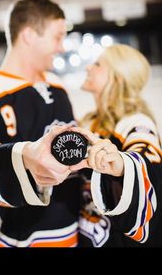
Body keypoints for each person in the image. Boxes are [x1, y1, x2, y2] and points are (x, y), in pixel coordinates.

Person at [0, 0, 80, 247]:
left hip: (75, 230)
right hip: (26, 237)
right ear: (28, 35)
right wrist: (26, 156)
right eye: (57, 37)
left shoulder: (56, 84)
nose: (62, 47)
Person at [70, 44, 162, 247]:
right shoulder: (89, 122)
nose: (88, 68)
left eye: (97, 64)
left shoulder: (137, 122)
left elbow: (147, 165)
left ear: (117, 78)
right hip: (89, 233)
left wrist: (120, 163)